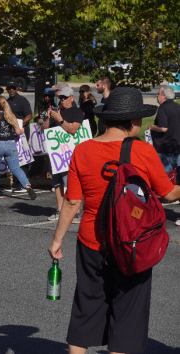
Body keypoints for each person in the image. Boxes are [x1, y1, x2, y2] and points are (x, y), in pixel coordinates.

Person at [47, 87, 180, 354]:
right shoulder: (142, 152)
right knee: (128, 310)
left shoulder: (83, 150)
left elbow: (73, 202)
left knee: (86, 303)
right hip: (132, 240)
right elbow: (168, 194)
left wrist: (57, 239)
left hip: (91, 239)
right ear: (132, 121)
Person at [0, 96, 37, 201]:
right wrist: (22, 130)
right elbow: (17, 132)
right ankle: (27, 186)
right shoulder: (11, 115)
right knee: (16, 168)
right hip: (10, 144)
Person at [43, 87, 84, 222]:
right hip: (57, 155)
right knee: (57, 182)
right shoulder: (56, 111)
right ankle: (59, 210)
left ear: (72, 97)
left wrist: (60, 120)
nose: (62, 100)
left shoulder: (77, 112)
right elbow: (44, 129)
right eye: (61, 97)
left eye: (65, 97)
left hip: (70, 154)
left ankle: (76, 212)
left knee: (70, 183)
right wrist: (49, 118)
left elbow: (73, 129)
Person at [5, 81, 32, 194]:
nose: (11, 90)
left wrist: (18, 126)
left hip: (21, 132)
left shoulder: (22, 100)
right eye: (9, 88)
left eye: (13, 88)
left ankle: (22, 184)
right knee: (13, 157)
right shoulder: (6, 102)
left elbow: (29, 116)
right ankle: (15, 184)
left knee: (23, 158)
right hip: (11, 133)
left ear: (16, 88)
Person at [149, 86, 180, 174]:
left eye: (158, 94)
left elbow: (163, 128)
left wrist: (152, 127)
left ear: (164, 96)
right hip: (176, 147)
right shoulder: (177, 107)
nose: (156, 95)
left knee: (166, 178)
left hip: (165, 149)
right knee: (177, 177)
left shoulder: (163, 108)